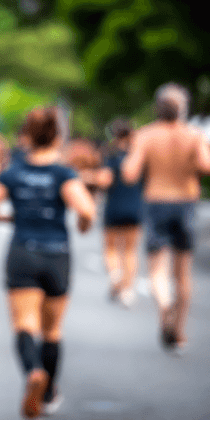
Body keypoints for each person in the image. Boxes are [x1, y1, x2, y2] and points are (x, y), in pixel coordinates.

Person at [0, 107, 95, 418]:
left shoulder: (13, 172)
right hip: (57, 254)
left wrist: (9, 216)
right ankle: (51, 391)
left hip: (22, 253)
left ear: (26, 136)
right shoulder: (63, 174)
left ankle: (32, 372)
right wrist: (82, 226)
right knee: (53, 330)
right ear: (56, 136)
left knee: (24, 325)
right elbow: (86, 211)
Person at [121, 83, 210, 353]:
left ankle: (164, 305)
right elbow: (206, 166)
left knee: (157, 268)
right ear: (183, 109)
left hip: (157, 201)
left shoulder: (146, 135)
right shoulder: (194, 135)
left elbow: (129, 174)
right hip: (186, 202)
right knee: (182, 271)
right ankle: (179, 330)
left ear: (157, 108)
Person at [83, 119, 143, 307]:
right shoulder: (138, 156)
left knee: (110, 248)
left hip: (115, 206)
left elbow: (105, 180)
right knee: (130, 250)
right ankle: (127, 289)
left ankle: (116, 277)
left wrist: (87, 177)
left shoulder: (111, 155)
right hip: (136, 207)